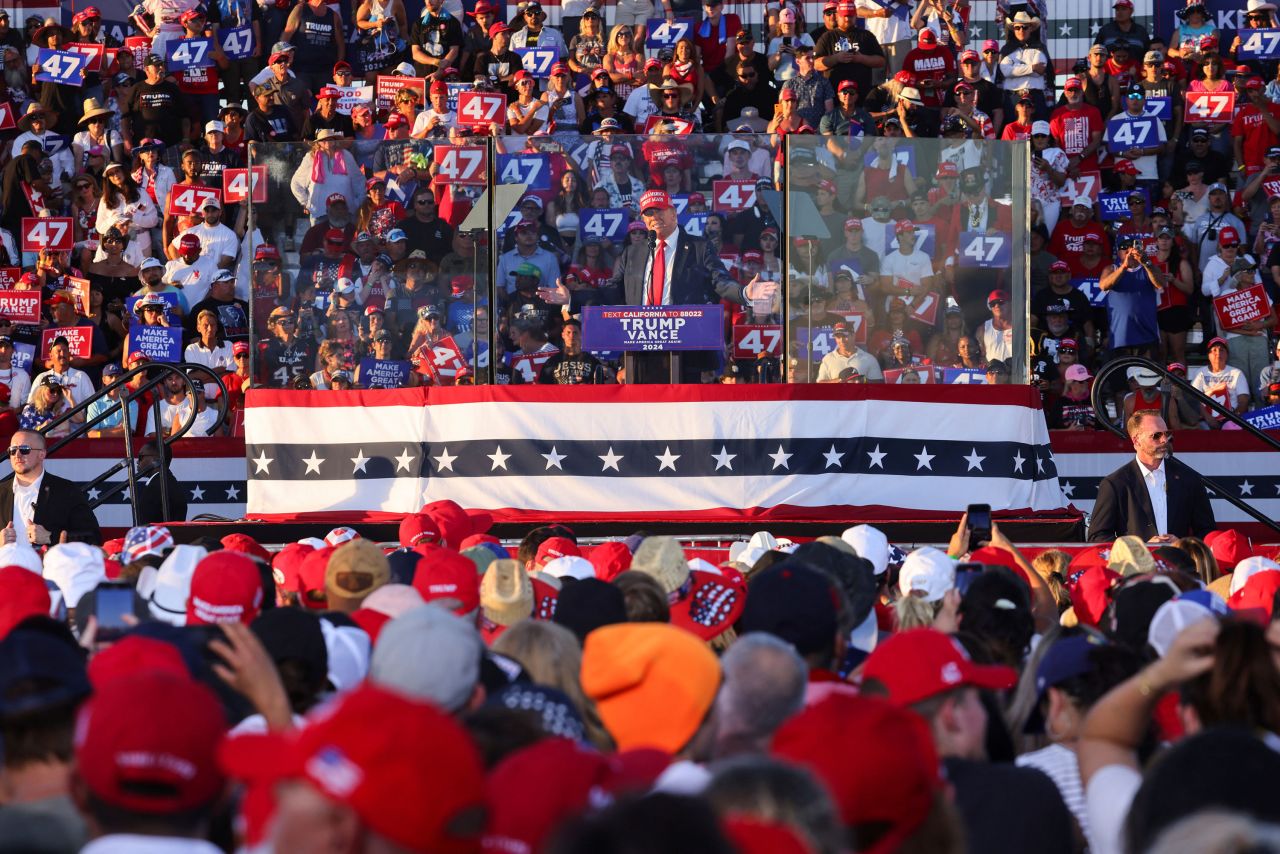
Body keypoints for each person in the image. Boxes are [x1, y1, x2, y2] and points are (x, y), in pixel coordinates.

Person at [1087, 411, 1215, 542]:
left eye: (1167, 433)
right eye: (1156, 435)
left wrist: (1182, 544)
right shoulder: (1115, 484)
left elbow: (1208, 532)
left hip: (1178, 561)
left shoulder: (1189, 479)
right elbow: (1097, 537)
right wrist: (1141, 548)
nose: (1164, 440)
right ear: (1136, 441)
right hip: (1136, 562)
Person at [0, 429, 101, 545]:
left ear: (42, 454)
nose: (17, 455)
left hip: (50, 562)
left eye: (24, 449)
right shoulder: (1, 492)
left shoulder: (66, 491)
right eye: (12, 450)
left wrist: (50, 537)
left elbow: (92, 538)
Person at [538, 319, 612, 384]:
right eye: (568, 332)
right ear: (563, 335)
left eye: (575, 333)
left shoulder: (592, 361)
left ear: (581, 335)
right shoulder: (552, 361)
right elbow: (543, 388)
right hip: (561, 398)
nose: (572, 336)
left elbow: (601, 386)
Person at [816, 321, 883, 382]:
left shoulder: (869, 359)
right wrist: (839, 380)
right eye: (838, 337)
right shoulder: (828, 359)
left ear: (853, 335)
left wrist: (862, 380)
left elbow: (878, 385)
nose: (842, 340)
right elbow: (819, 383)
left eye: (845, 336)